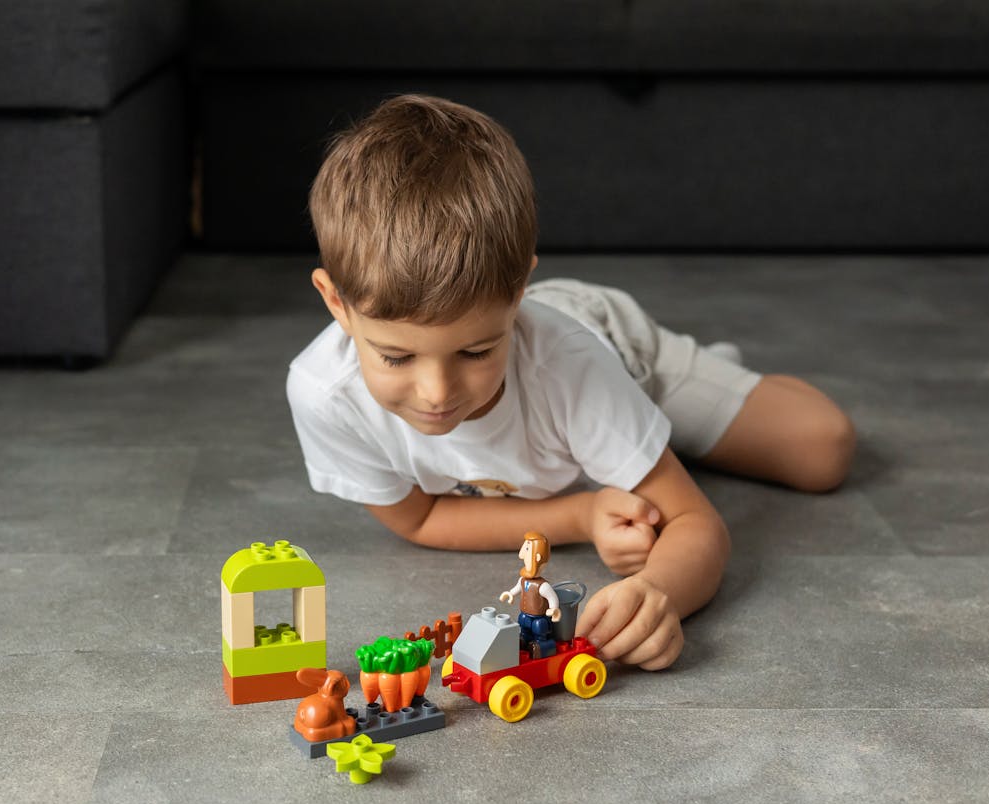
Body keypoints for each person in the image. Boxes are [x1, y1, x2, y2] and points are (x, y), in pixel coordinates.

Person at [287, 94, 855, 671]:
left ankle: (685, 393)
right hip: (578, 392)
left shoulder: (571, 366)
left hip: (623, 352)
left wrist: (659, 591)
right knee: (632, 454)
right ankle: (633, 438)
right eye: (396, 357)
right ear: (336, 302)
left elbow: (695, 523)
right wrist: (582, 515)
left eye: (476, 351)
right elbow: (421, 518)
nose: (437, 393)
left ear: (518, 294)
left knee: (821, 451)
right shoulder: (324, 394)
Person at [500, 531, 562, 660]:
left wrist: (554, 609)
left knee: (540, 632)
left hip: (539, 618)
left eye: (527, 548)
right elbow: (518, 588)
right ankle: (524, 641)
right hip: (525, 615)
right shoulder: (523, 580)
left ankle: (541, 646)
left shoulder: (543, 586)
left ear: (537, 557)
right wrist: (510, 594)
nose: (521, 555)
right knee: (524, 631)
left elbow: (552, 597)